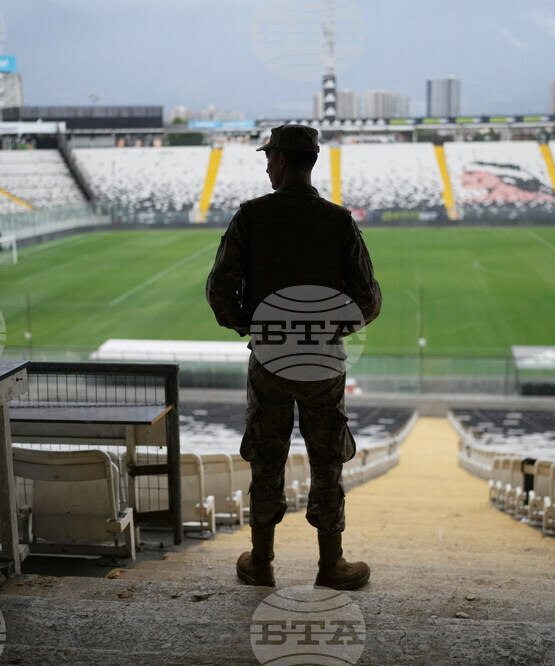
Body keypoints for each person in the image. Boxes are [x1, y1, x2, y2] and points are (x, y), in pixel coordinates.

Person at [206, 124, 382, 590]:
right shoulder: (338, 220)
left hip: (270, 360)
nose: (266, 166)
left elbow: (219, 291)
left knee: (267, 456)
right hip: (323, 362)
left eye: (269, 159)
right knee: (327, 459)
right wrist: (329, 328)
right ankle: (331, 565)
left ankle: (261, 561)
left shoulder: (251, 217)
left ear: (282, 161)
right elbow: (369, 299)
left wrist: (255, 324)